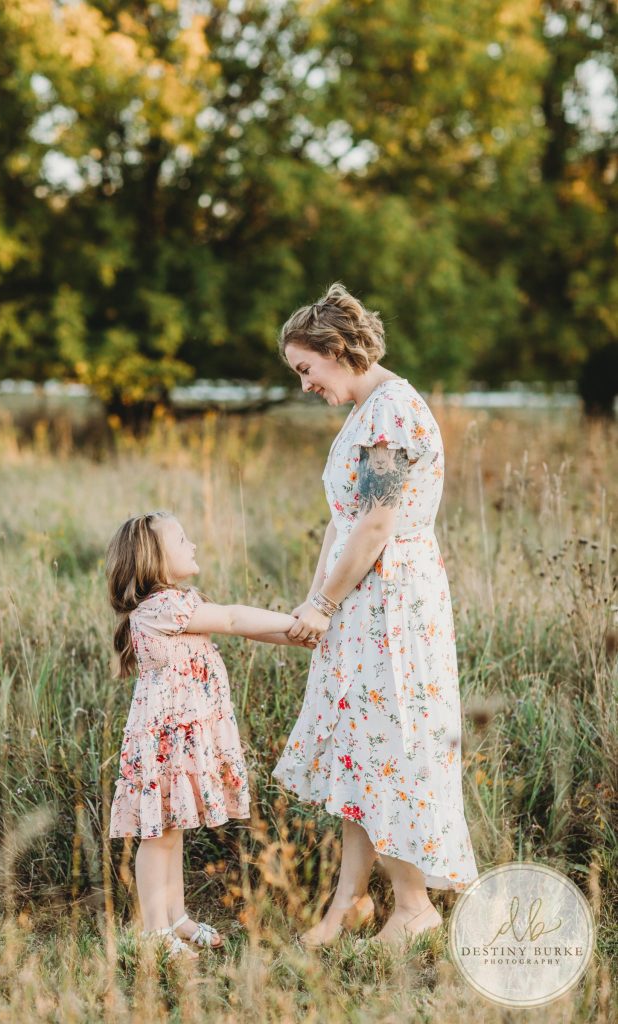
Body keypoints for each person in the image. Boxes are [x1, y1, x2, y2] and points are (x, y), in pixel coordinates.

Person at [272, 282, 479, 949]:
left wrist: (326, 602)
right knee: (360, 756)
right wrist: (315, 604)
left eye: (306, 369)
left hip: (392, 608)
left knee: (390, 751)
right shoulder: (366, 415)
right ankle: (348, 906)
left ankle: (415, 908)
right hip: (361, 606)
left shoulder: (391, 413)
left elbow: (377, 523)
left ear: (336, 350)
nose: (305, 384)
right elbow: (342, 527)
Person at [106, 510, 315, 960]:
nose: (193, 545)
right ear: (155, 562)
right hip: (165, 743)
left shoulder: (178, 604)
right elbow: (236, 620)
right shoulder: (165, 607)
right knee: (157, 834)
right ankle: (152, 931)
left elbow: (239, 625)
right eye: (182, 540)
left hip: (179, 740)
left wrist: (296, 635)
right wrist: (293, 621)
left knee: (172, 831)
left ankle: (176, 918)